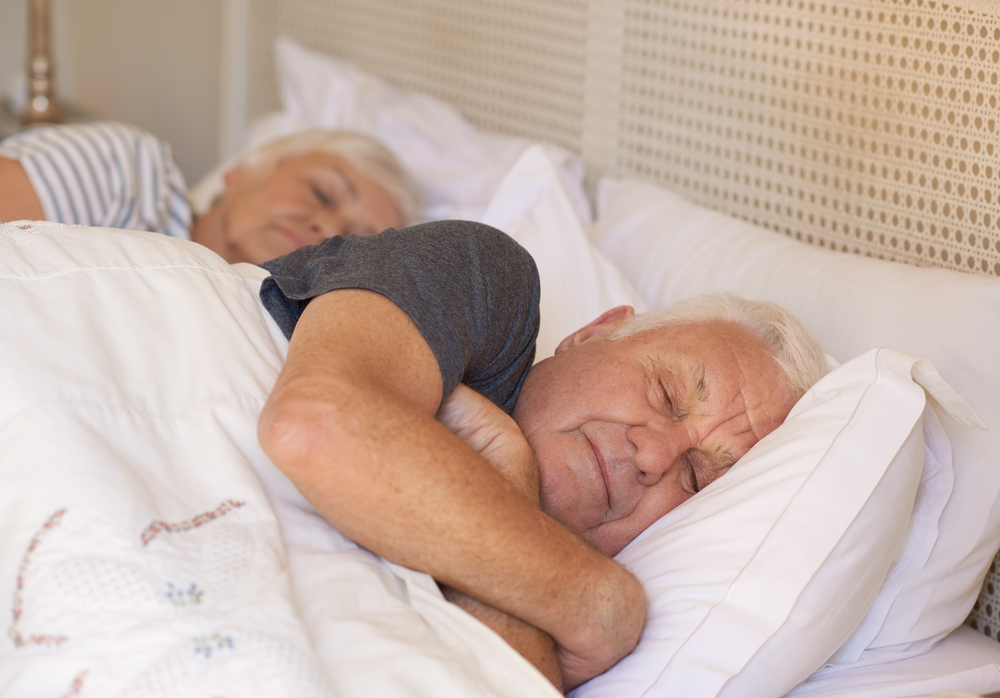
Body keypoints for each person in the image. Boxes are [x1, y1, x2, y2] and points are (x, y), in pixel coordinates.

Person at [254, 220, 827, 692]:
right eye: (667, 394)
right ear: (595, 333)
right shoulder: (487, 282)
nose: (654, 454)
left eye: (697, 478)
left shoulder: (548, 615)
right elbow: (315, 424)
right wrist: (603, 605)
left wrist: (511, 489)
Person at [0, 121, 421, 264]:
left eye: (352, 241)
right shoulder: (129, 176)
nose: (327, 227)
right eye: (323, 194)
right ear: (241, 171)